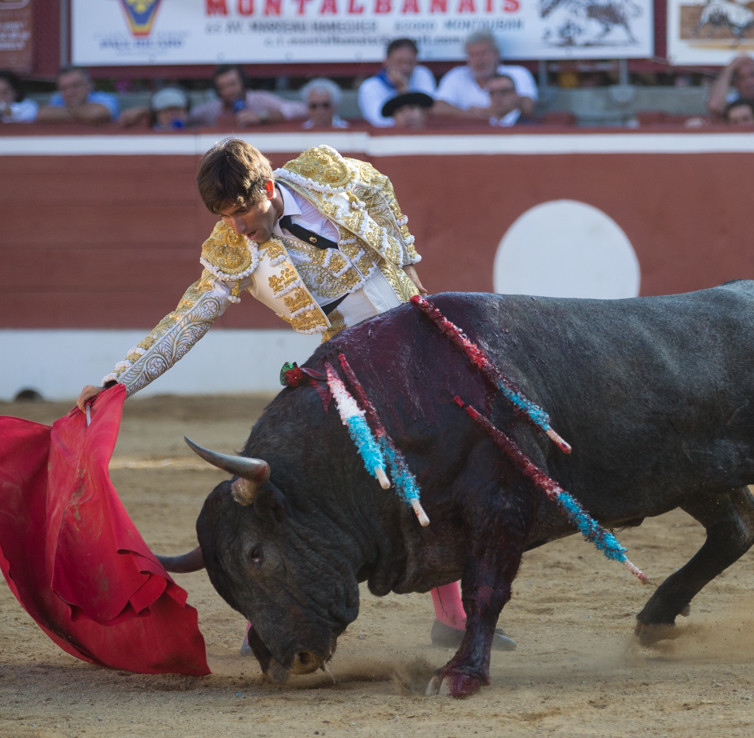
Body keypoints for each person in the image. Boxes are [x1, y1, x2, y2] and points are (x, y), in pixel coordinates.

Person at [74, 138, 514, 653]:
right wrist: (121, 381)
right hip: (352, 361)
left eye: (242, 211)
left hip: (420, 343)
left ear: (267, 187)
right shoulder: (231, 251)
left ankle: (452, 618)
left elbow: (377, 186)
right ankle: (264, 622)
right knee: (305, 483)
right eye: (224, 216)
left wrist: (404, 262)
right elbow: (187, 319)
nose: (236, 226)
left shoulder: (323, 171)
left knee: (443, 470)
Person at [432, 28, 536, 122]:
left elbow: (527, 108)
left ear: (496, 54)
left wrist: (483, 112)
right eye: (473, 55)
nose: (478, 60)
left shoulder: (518, 73)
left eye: (483, 53)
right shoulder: (456, 76)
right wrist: (473, 115)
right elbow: (437, 108)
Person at [189, 64, 306, 128]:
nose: (229, 91)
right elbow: (189, 117)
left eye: (232, 84)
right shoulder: (214, 108)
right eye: (223, 87)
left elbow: (300, 109)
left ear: (243, 82)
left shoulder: (259, 99)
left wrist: (261, 117)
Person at [358, 37, 437, 127]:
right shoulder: (370, 87)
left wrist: (404, 89)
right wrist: (402, 89)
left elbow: (429, 110)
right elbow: (379, 121)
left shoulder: (422, 74)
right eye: (399, 62)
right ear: (386, 61)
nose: (405, 68)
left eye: (410, 62)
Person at [35, 66, 119, 125]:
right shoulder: (58, 99)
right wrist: (82, 114)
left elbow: (96, 114)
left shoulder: (103, 97)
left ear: (89, 85)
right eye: (64, 88)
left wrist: (62, 113)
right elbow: (42, 114)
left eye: (75, 86)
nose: (70, 92)